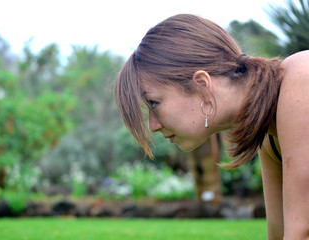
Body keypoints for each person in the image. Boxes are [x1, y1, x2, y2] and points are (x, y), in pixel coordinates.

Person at [114, 14, 309, 239]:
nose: (152, 125)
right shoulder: (268, 133)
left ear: (202, 86)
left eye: (153, 103)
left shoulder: (302, 81)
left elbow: (301, 234)